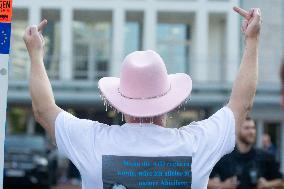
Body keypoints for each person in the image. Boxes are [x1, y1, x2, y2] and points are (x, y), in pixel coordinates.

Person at [23, 6, 261, 189]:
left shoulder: (93, 141)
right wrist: (252, 41)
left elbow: (43, 110)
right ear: (168, 105)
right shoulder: (194, 145)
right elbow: (241, 105)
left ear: (122, 104)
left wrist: (35, 53)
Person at [208, 117, 283, 189]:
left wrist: (266, 184)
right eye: (247, 128)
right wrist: (223, 185)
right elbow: (204, 180)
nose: (251, 131)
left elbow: (281, 181)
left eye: (253, 128)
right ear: (236, 131)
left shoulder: (265, 157)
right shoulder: (224, 157)